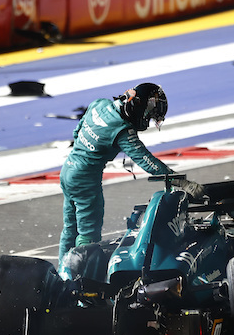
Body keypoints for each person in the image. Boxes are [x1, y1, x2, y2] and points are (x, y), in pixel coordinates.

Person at [58, 82, 204, 264]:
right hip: (85, 180)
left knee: (70, 228)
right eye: (149, 116)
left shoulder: (100, 103)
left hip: (68, 169)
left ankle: (60, 271)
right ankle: (77, 279)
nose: (148, 121)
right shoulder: (122, 131)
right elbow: (147, 161)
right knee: (88, 235)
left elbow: (77, 131)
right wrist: (182, 183)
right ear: (140, 108)